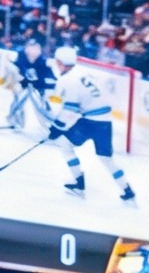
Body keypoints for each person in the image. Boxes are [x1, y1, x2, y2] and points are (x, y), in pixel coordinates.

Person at [47, 45, 135, 203]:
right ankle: (127, 190)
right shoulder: (83, 72)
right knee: (106, 158)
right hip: (105, 122)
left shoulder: (67, 79)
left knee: (64, 145)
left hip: (89, 122)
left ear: (60, 62)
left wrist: (57, 126)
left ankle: (79, 185)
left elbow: (70, 109)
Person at [3, 39, 55, 130]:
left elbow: (50, 77)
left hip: (38, 85)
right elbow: (18, 67)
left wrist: (45, 86)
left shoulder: (42, 61)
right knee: (18, 100)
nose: (33, 51)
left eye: (36, 49)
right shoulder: (21, 55)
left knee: (41, 105)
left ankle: (50, 125)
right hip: (24, 83)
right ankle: (15, 121)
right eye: (31, 48)